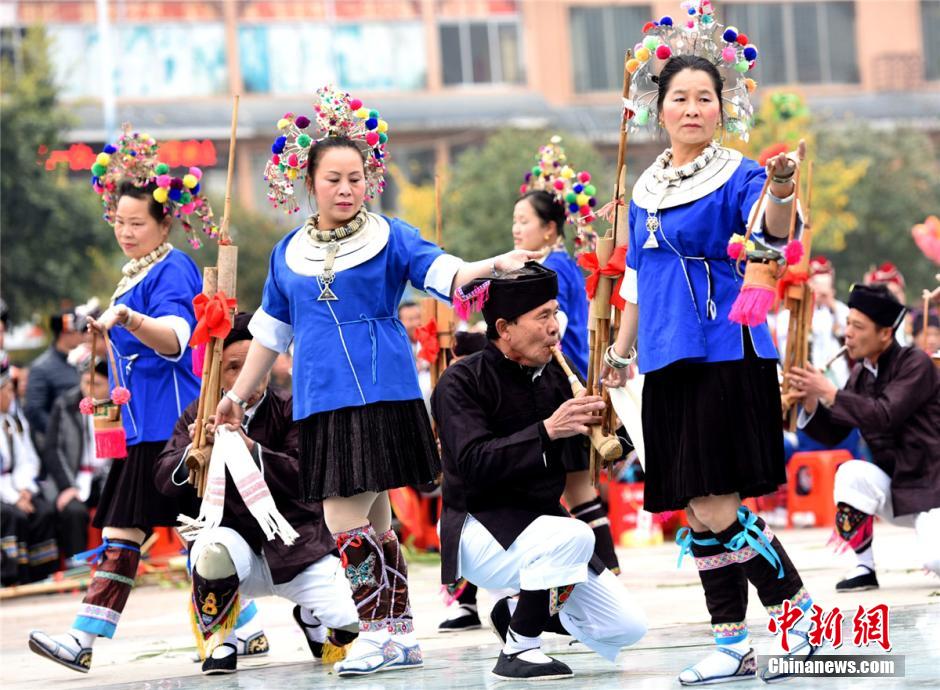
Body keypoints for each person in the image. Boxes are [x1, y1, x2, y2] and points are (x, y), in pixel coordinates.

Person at [214, 87, 538, 677]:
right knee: (378, 520)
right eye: (333, 179)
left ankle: (375, 631)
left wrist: (495, 264)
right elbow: (270, 334)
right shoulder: (287, 254)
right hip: (321, 399)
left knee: (343, 518)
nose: (346, 189)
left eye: (356, 179)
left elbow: (447, 273)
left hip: (382, 392)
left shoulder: (391, 237)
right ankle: (398, 632)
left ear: (369, 181)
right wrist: (236, 396)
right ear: (309, 182)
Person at [605, 10, 820, 683]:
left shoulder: (738, 174)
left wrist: (781, 186)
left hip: (726, 348)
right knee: (696, 509)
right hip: (664, 355)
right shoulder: (645, 187)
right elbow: (637, 278)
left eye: (706, 97)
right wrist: (619, 352)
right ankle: (731, 643)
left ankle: (798, 616)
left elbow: (775, 232)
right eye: (680, 98)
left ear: (724, 109)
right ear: (659, 109)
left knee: (718, 503)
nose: (693, 108)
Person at [29, 129, 212, 674]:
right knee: (194, 536)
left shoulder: (172, 268)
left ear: (164, 224)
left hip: (170, 426)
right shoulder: (136, 272)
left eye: (138, 224)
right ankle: (244, 629)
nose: (126, 232)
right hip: (144, 425)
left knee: (140, 534)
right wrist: (99, 349)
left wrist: (129, 319)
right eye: (120, 221)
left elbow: (176, 338)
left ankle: (82, 639)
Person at [432, 264, 647, 680]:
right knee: (576, 535)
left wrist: (621, 427)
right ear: (504, 328)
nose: (554, 327)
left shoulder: (556, 377)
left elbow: (587, 455)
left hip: (543, 531)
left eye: (555, 313)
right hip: (478, 528)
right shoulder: (461, 381)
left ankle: (514, 611)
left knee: (625, 627)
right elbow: (473, 463)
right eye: (542, 316)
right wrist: (547, 430)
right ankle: (519, 649)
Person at [155, 313, 359, 675]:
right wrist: (195, 453)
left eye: (251, 364)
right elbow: (163, 478)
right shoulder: (198, 415)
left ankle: (312, 618)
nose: (243, 375)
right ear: (216, 373)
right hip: (233, 544)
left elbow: (307, 474)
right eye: (232, 367)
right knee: (212, 554)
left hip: (297, 546)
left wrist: (248, 447)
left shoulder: (293, 408)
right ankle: (221, 640)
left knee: (351, 622)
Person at [514, 137, 621, 574]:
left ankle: (598, 573)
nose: (517, 229)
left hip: (560, 379)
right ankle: (605, 571)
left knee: (571, 486)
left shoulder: (550, 268)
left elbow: (551, 326)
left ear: (550, 230)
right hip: (566, 376)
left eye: (524, 221)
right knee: (576, 487)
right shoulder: (558, 264)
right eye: (515, 221)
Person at [788, 284, 940, 591]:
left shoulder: (915, 364)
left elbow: (885, 414)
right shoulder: (861, 374)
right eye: (848, 324)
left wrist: (830, 392)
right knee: (851, 473)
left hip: (933, 491)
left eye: (858, 327)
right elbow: (834, 432)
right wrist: (811, 401)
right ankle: (864, 567)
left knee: (936, 561)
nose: (848, 334)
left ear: (885, 333)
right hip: (899, 489)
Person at [43, 355, 113, 562]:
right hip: (74, 478)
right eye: (85, 382)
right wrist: (67, 486)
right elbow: (52, 449)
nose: (88, 389)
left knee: (121, 503)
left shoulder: (116, 405)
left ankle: (120, 559)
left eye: (96, 384)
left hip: (105, 477)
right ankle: (77, 563)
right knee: (73, 511)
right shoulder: (65, 404)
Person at [1, 358, 60, 585]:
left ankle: (42, 574)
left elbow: (28, 461)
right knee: (12, 516)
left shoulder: (14, 423)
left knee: (43, 511)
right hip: (4, 492)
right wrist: (14, 498)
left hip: (16, 487)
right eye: (7, 391)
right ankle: (12, 576)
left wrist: (25, 490)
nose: (12, 396)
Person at [23, 309, 86, 450]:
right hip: (61, 446)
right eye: (76, 330)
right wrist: (61, 434)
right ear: (64, 333)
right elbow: (34, 410)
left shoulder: (81, 361)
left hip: (84, 441)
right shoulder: (41, 368)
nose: (81, 335)